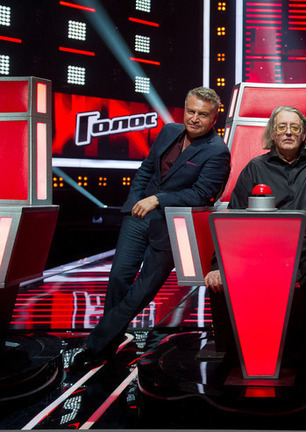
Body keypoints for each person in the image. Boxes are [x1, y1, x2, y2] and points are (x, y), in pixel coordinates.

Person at [70, 87, 231, 371]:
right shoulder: (169, 131)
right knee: (119, 278)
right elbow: (146, 170)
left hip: (172, 226)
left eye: (202, 114)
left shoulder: (217, 151)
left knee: (143, 290)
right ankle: (105, 343)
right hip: (139, 216)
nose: (194, 118)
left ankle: (96, 345)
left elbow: (202, 195)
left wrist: (157, 200)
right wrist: (134, 202)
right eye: (191, 111)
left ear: (214, 118)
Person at [204, 106, 306, 374]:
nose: (288, 132)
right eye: (282, 127)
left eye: (295, 127)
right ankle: (244, 354)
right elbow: (234, 218)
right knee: (230, 276)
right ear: (272, 132)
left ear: (304, 133)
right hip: (266, 253)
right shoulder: (255, 168)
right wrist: (218, 265)